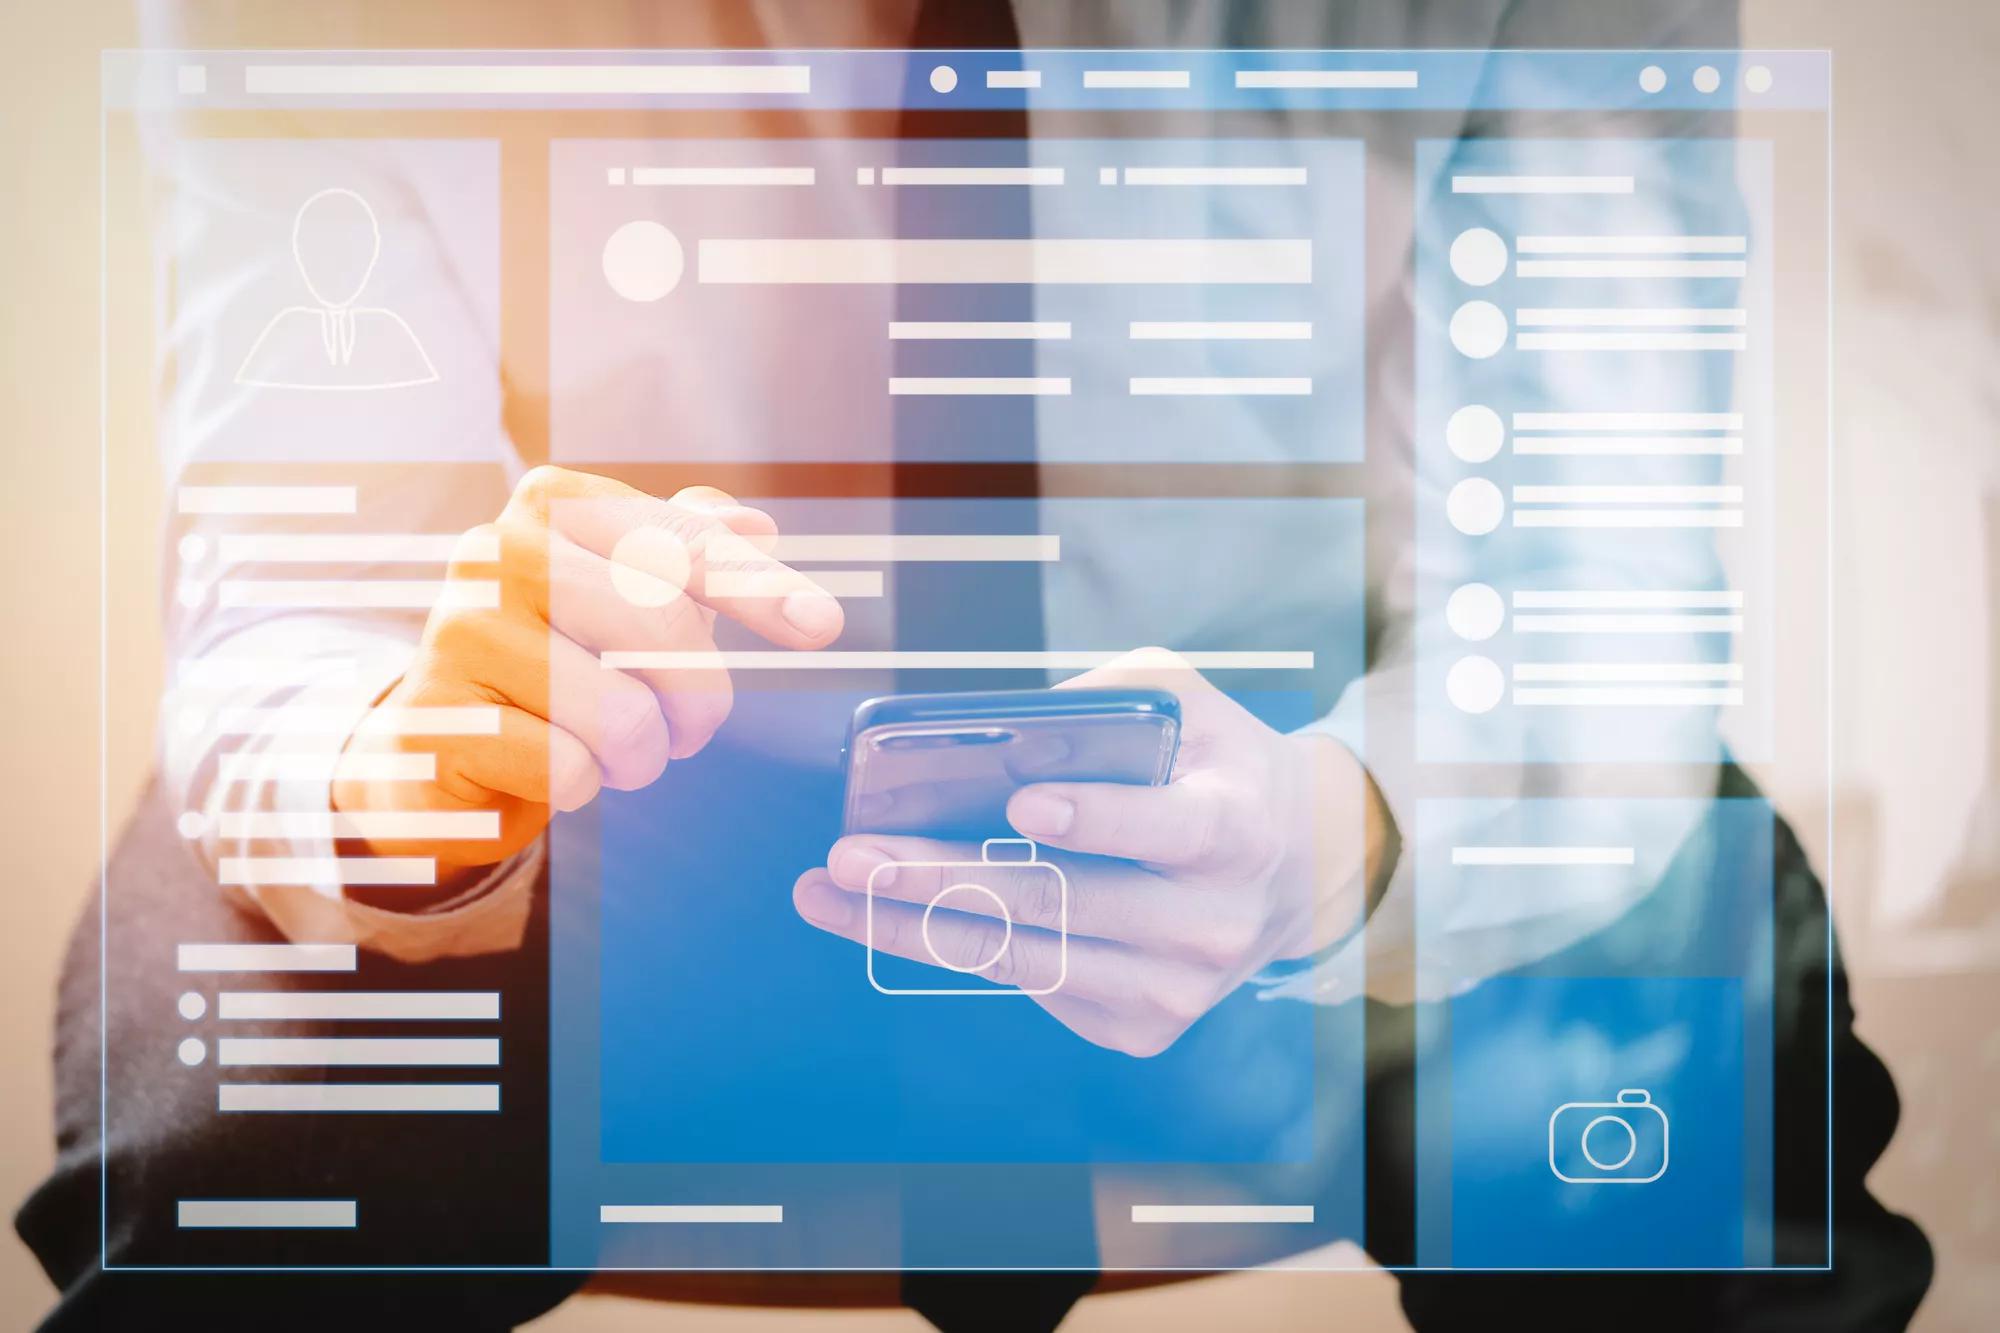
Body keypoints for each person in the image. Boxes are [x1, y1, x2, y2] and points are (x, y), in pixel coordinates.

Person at [18, 2, 1930, 1329]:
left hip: (1295, 749)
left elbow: (1584, 587)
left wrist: (1336, 829)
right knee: (232, 1151)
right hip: (630, 791)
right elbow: (296, 586)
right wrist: (409, 768)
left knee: (1715, 1127)